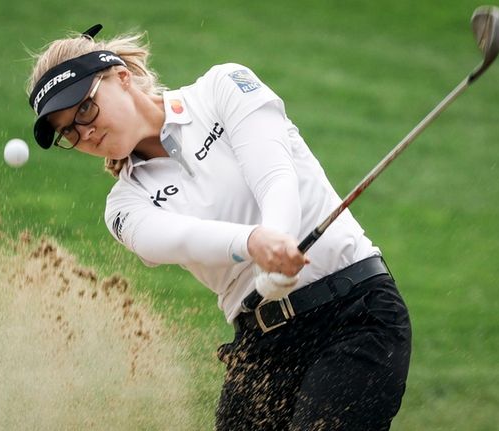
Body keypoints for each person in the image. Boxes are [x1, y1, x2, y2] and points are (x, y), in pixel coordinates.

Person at [26, 24, 411, 431]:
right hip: (263, 349)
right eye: (68, 131)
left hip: (353, 313)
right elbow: (175, 240)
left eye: (85, 109)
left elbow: (274, 175)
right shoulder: (124, 205)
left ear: (121, 77)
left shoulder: (221, 87)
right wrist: (254, 243)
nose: (84, 132)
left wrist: (276, 241)